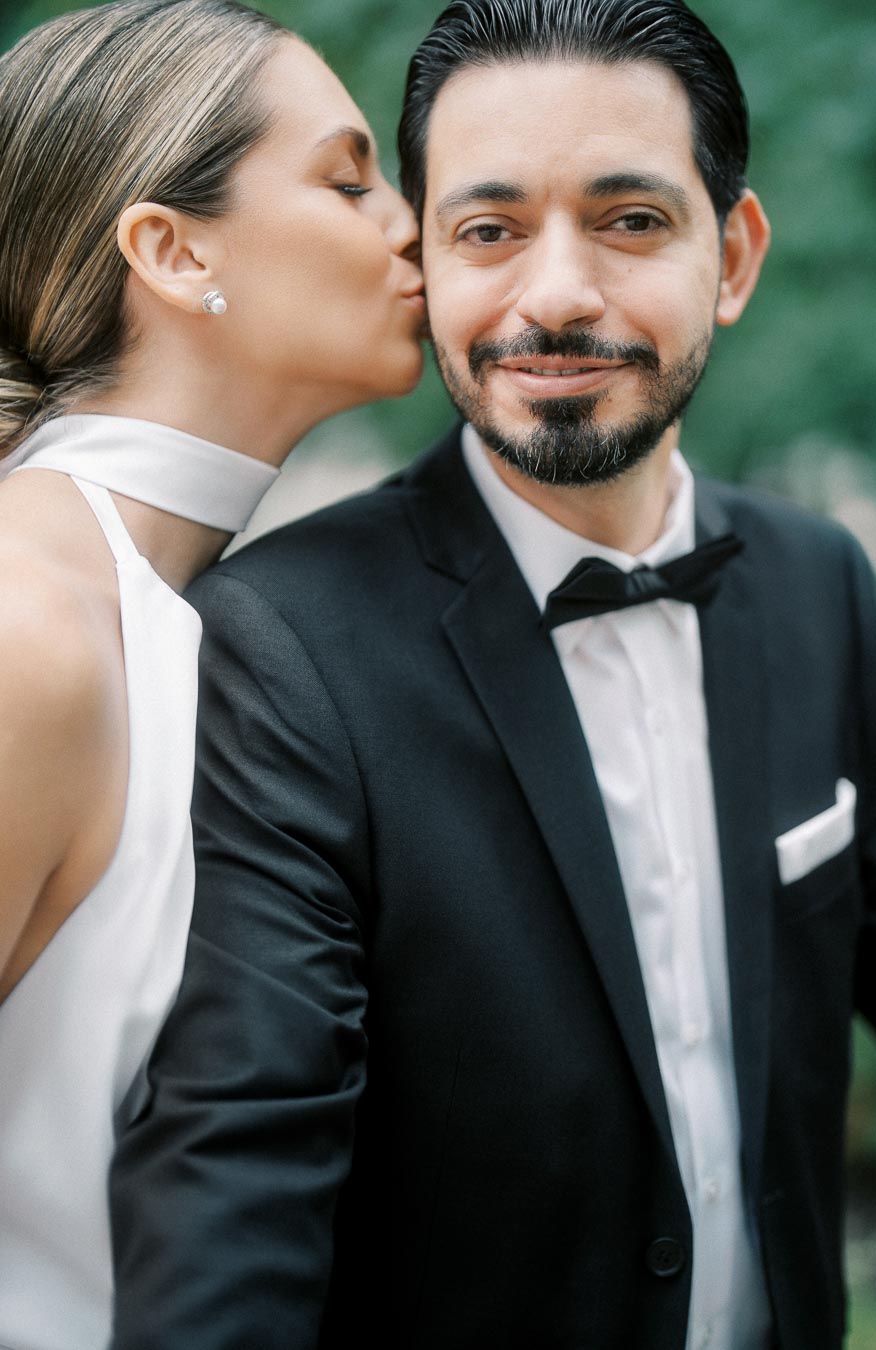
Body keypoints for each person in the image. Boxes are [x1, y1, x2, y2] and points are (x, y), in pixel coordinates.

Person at [110, 1, 876, 1348]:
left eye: (631, 220)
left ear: (737, 255)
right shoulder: (282, 645)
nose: (554, 297)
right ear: (426, 260)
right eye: (489, 231)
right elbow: (237, 1166)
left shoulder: (822, 577)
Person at [0, 0, 423, 1344]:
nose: (411, 220)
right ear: (173, 251)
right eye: (349, 178)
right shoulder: (29, 630)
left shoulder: (204, 620)